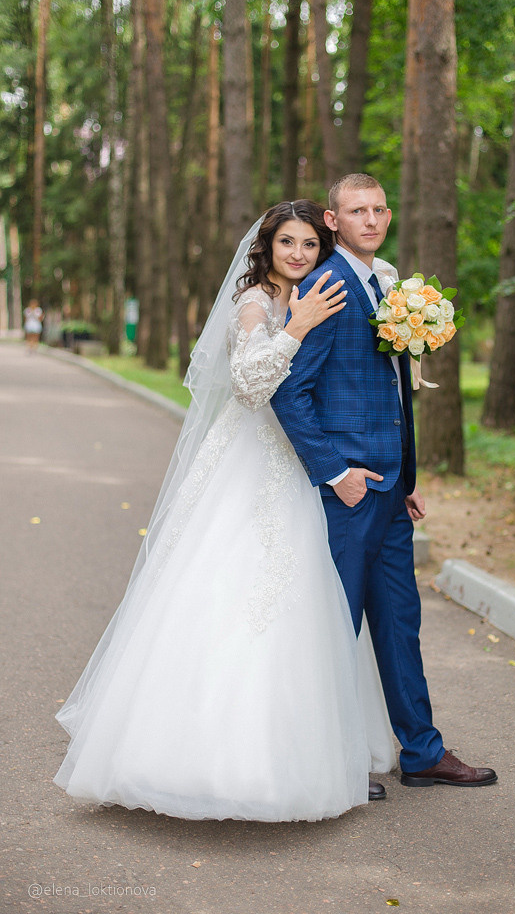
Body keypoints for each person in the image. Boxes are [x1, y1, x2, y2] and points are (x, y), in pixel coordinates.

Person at [54, 200, 395, 822]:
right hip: (249, 461)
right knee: (227, 587)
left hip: (296, 464)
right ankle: (192, 755)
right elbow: (249, 382)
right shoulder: (257, 303)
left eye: (309, 245)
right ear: (266, 249)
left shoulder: (318, 295)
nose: (298, 254)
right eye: (286, 243)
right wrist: (295, 326)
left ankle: (309, 748)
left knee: (307, 597)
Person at [271, 175, 497, 792]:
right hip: (346, 491)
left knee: (400, 622)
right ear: (332, 219)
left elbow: (394, 390)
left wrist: (407, 476)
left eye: (377, 210)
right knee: (336, 623)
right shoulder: (327, 285)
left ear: (388, 215)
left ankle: (423, 752)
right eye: (355, 211)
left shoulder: (388, 282)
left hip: (391, 487)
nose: (369, 220)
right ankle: (331, 758)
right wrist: (336, 473)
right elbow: (290, 392)